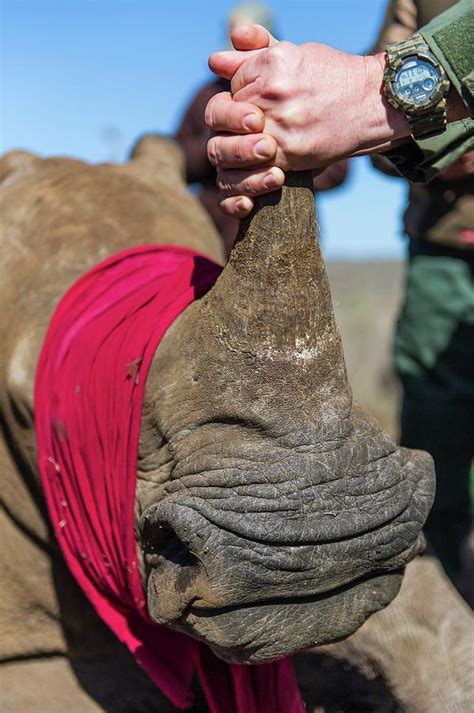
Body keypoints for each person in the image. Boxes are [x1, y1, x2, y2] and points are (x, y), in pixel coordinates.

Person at [205, 0, 473, 585]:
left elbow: (373, 103)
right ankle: (443, 566)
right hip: (446, 234)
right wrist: (427, 135)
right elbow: (377, 146)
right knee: (437, 401)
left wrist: (375, 91)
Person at [175, 2, 348, 256]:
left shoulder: (297, 92)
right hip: (211, 239)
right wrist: (219, 147)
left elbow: (338, 168)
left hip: (287, 240)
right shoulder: (208, 97)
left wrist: (285, 165)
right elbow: (179, 159)